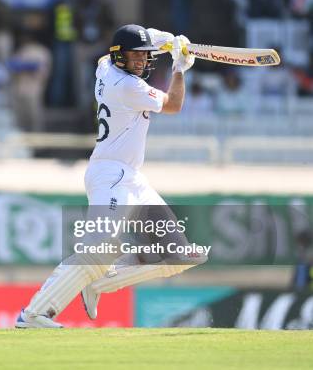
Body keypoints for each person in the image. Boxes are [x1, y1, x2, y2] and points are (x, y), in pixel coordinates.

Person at [15, 24, 207, 328]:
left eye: (145, 56)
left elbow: (128, 48)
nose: (142, 62)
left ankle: (99, 283)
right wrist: (180, 68)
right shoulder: (127, 86)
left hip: (130, 177)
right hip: (112, 176)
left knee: (179, 254)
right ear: (120, 57)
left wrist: (165, 42)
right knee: (96, 251)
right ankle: (34, 314)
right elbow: (174, 104)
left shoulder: (104, 67)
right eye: (135, 57)